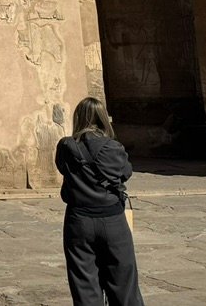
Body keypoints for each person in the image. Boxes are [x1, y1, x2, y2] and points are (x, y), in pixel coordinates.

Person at [55, 97, 143, 306]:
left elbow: (62, 168)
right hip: (112, 219)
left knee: (84, 285)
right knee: (123, 283)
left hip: (79, 220)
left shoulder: (66, 146)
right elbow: (126, 173)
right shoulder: (113, 147)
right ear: (103, 118)